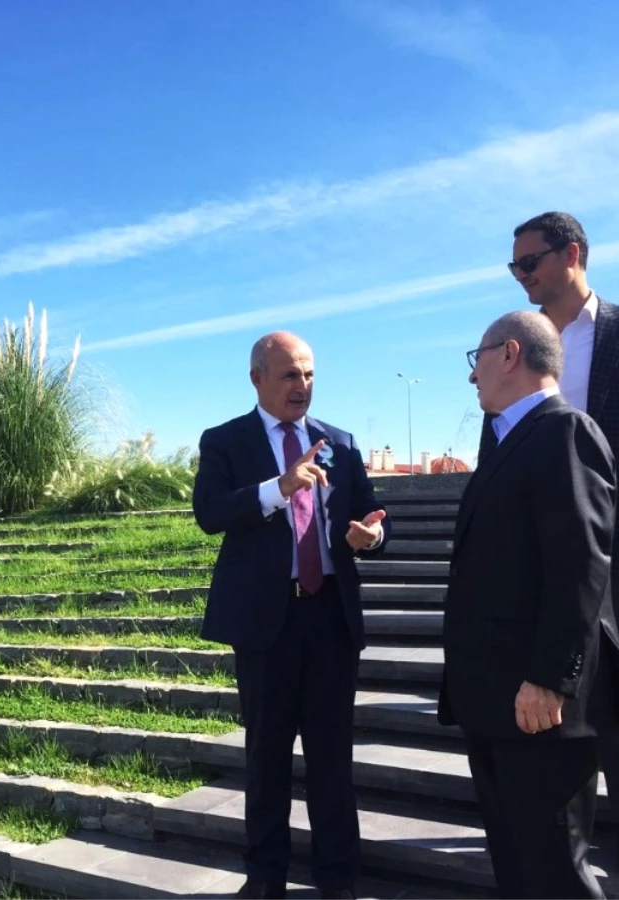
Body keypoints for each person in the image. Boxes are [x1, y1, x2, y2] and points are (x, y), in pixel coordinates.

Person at [478, 212, 619, 878]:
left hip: (618, 540)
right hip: (532, 548)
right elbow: (498, 438)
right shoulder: (520, 342)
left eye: (530, 262)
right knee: (548, 678)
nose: (521, 276)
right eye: (514, 266)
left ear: (572, 254)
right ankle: (563, 821)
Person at [445, 310, 619, 900]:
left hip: (539, 703)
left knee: (554, 871)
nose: (472, 378)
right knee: (517, 862)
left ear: (509, 354)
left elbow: (580, 566)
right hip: (496, 697)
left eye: (477, 360)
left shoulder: (564, 431)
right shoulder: (508, 438)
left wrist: (550, 678)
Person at [192, 331, 389, 900]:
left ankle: (338, 880)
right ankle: (265, 879)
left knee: (332, 760)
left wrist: (371, 535)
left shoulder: (338, 442)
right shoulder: (226, 441)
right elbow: (209, 512)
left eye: (308, 374)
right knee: (267, 758)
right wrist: (277, 489)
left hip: (329, 617)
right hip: (264, 625)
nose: (301, 386)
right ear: (257, 377)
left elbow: (372, 514)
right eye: (288, 375)